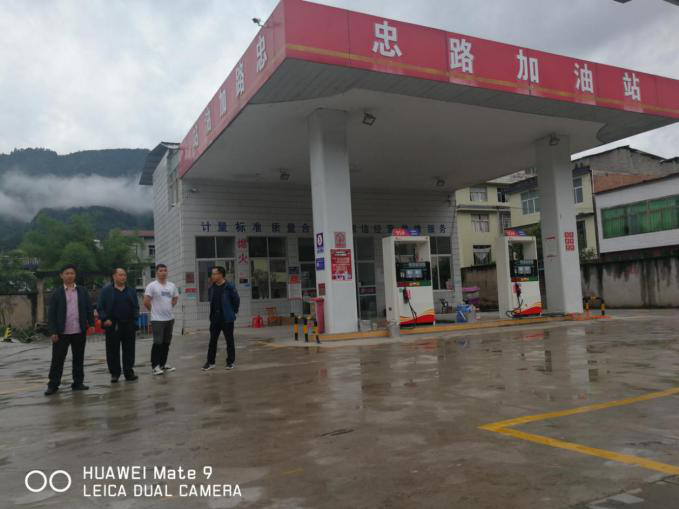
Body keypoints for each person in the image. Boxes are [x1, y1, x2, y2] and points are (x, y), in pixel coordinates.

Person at [45, 264, 94, 396]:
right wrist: (53, 331)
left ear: (75, 275)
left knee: (78, 358)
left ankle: (78, 383)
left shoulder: (82, 291)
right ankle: (53, 385)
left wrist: (91, 324)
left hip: (79, 330)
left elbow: (89, 308)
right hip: (61, 332)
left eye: (72, 273)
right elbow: (51, 314)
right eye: (67, 273)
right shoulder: (57, 293)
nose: (70, 275)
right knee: (57, 359)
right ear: (61, 275)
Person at [97, 268, 139, 383]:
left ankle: (129, 372)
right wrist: (105, 319)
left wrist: (135, 318)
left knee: (129, 350)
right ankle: (115, 374)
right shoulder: (106, 291)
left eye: (124, 275)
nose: (123, 277)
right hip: (113, 324)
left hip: (129, 324)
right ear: (114, 276)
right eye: (120, 275)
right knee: (112, 350)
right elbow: (100, 307)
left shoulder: (131, 291)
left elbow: (136, 306)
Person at [144, 264, 179, 376]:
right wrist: (153, 311)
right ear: (156, 272)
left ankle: (163, 364)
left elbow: (175, 297)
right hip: (157, 320)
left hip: (170, 319)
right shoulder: (152, 286)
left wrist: (170, 306)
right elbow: (146, 301)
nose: (163, 272)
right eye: (160, 270)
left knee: (166, 343)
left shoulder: (172, 285)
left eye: (165, 270)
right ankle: (155, 366)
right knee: (158, 343)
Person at [203, 266, 240, 371]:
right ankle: (210, 362)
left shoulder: (229, 287)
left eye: (214, 274)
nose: (212, 276)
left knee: (229, 341)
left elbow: (236, 300)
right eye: (212, 274)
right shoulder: (212, 288)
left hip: (227, 319)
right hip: (215, 319)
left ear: (220, 275)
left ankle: (230, 362)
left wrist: (233, 311)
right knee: (212, 341)